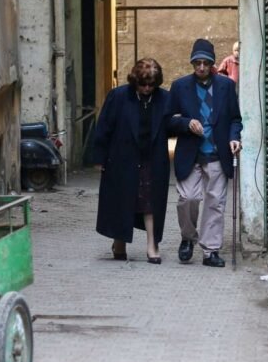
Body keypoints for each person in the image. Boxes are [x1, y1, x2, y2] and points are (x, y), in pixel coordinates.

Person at [90, 58, 174, 264]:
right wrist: (99, 158)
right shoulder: (118, 96)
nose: (147, 89)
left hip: (152, 159)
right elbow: (104, 127)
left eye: (151, 85)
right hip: (122, 158)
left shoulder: (164, 99)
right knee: (122, 200)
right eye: (143, 84)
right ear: (135, 81)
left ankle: (152, 245)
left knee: (150, 203)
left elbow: (172, 124)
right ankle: (119, 242)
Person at [168, 39, 243, 267]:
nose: (201, 67)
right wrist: (186, 123)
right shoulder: (180, 86)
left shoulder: (226, 86)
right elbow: (167, 121)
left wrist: (234, 137)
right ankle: (187, 237)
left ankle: (211, 251)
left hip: (217, 153)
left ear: (212, 64)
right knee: (188, 198)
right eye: (197, 63)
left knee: (215, 202)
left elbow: (235, 119)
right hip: (190, 153)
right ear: (192, 63)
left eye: (205, 63)